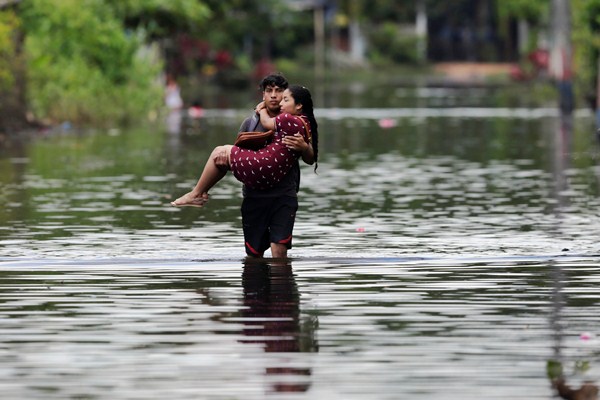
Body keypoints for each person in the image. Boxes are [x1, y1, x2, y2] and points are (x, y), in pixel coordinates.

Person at [171, 82, 319, 258]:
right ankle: (258, 284)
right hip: (255, 195)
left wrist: (304, 147)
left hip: (283, 194)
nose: (274, 96)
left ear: (288, 98)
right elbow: (239, 153)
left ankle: (197, 193)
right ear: (263, 95)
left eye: (280, 92)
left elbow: (311, 159)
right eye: (269, 91)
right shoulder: (251, 123)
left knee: (279, 250)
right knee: (254, 255)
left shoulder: (289, 118)